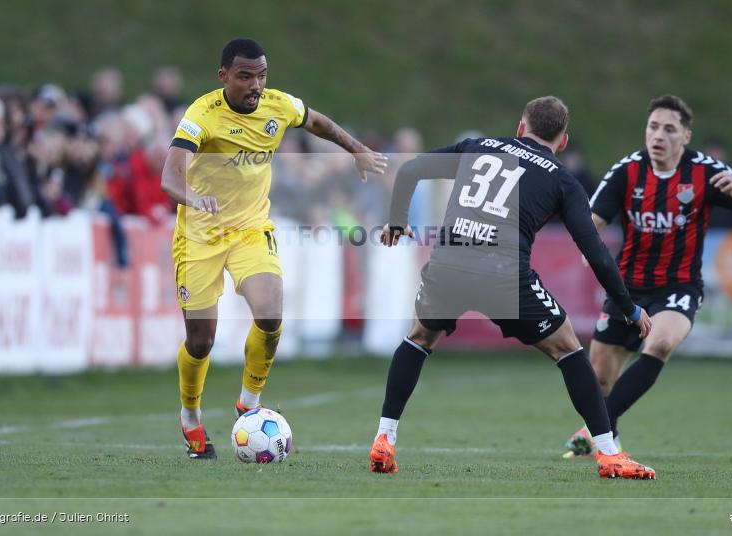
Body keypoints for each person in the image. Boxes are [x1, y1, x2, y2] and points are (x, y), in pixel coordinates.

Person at [370, 96, 656, 480]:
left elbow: (411, 170)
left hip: (448, 265)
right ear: (564, 141)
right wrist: (627, 307)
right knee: (569, 348)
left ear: (521, 127)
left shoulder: (478, 146)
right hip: (502, 275)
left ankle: (384, 439)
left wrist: (396, 220)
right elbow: (595, 251)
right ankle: (609, 454)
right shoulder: (561, 178)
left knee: (419, 337)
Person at [160, 37, 388, 459]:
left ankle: (248, 401)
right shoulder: (201, 115)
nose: (256, 85)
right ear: (224, 76)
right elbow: (169, 176)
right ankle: (190, 415)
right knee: (200, 340)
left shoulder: (277, 105)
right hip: (200, 237)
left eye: (262, 75)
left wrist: (355, 149)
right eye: (245, 76)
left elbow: (316, 122)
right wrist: (193, 198)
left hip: (249, 228)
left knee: (270, 312)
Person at [563, 95, 732, 458]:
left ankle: (597, 429)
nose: (658, 135)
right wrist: (588, 249)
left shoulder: (708, 172)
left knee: (661, 343)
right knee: (600, 379)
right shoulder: (627, 171)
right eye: (653, 127)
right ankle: (607, 438)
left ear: (685, 136)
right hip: (627, 288)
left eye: (669, 129)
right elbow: (590, 222)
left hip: (678, 286)